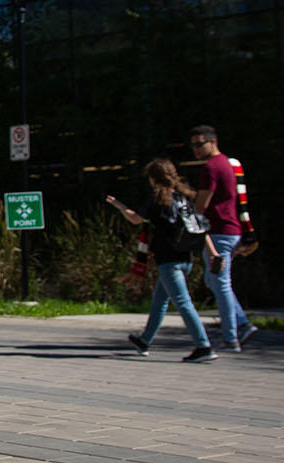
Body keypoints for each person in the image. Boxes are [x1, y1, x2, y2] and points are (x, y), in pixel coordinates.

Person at [108, 158, 217, 363]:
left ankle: (203, 346)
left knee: (183, 303)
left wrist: (119, 205)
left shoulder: (157, 199)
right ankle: (144, 340)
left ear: (153, 178)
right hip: (186, 258)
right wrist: (213, 254)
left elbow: (135, 219)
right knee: (160, 301)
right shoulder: (184, 199)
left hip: (168, 260)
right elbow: (200, 228)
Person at [190, 125, 257, 351]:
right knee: (214, 281)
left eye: (200, 144)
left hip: (218, 232)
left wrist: (193, 220)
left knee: (220, 284)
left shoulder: (211, 167)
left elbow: (202, 204)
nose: (196, 149)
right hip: (229, 231)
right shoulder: (228, 164)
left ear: (213, 142)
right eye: (193, 145)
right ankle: (242, 324)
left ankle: (231, 337)